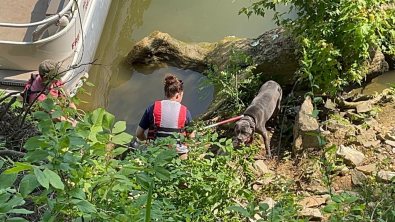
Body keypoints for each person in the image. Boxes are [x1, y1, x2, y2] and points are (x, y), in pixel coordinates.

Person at [135, 74, 194, 159]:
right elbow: (191, 137)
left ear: (166, 93)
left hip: (155, 152)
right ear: (178, 95)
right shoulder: (185, 111)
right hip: (177, 154)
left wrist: (146, 142)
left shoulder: (152, 108)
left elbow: (139, 133)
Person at [27, 59, 77, 126]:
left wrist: (71, 104)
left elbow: (62, 88)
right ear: (45, 78)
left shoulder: (53, 80)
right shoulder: (39, 98)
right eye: (55, 77)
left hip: (58, 107)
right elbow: (54, 116)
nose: (58, 79)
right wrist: (72, 124)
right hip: (48, 118)